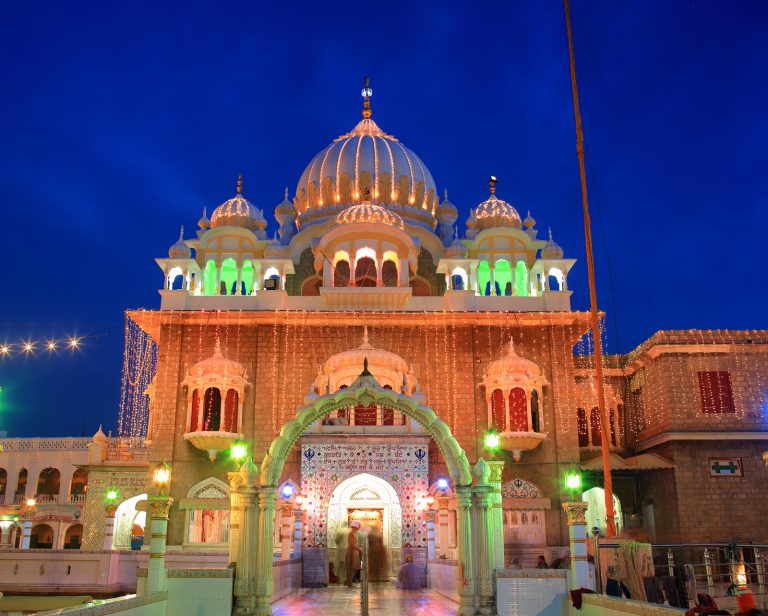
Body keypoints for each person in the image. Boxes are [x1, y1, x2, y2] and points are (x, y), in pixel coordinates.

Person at [345, 520, 362, 586]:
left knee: (354, 568)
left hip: (355, 551)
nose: (359, 527)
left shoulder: (355, 533)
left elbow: (355, 543)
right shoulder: (351, 533)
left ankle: (349, 581)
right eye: (358, 526)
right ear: (355, 526)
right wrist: (359, 549)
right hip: (351, 552)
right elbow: (352, 544)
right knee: (351, 568)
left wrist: (359, 548)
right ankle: (349, 582)